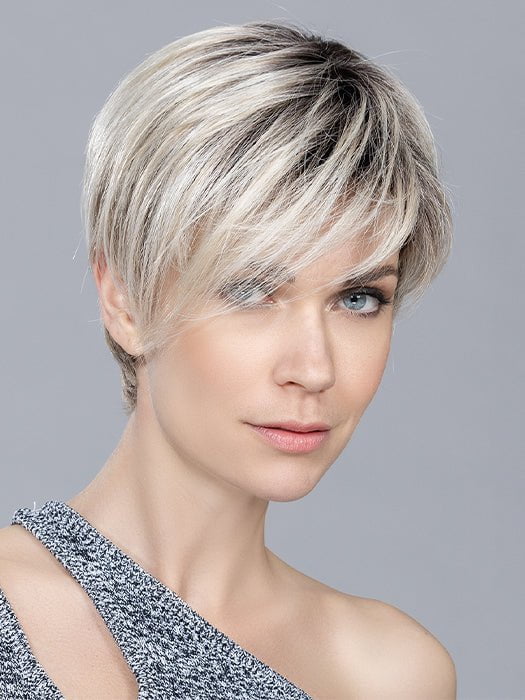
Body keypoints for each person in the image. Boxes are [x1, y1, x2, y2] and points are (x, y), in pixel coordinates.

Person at [0, 20, 457, 699]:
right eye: (250, 291)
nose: (315, 368)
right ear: (125, 300)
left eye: (357, 298)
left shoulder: (388, 674)